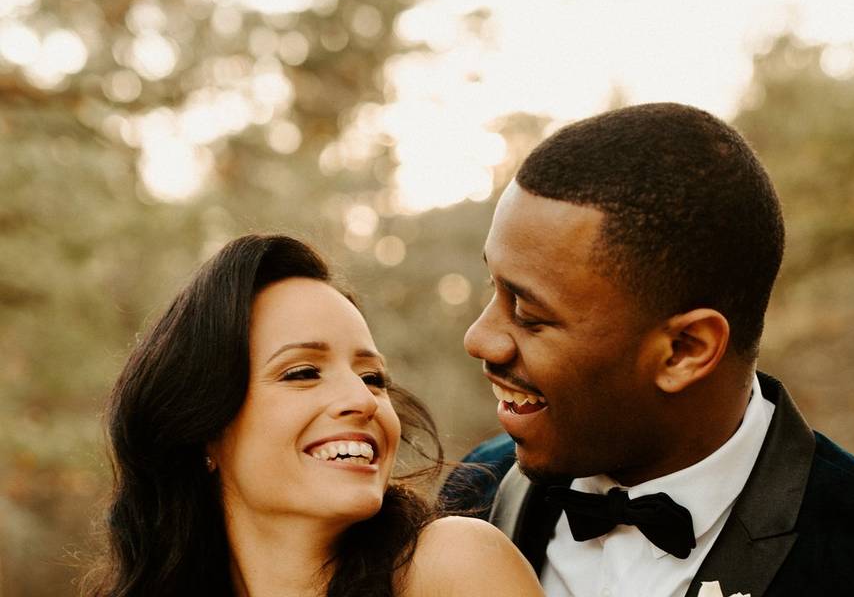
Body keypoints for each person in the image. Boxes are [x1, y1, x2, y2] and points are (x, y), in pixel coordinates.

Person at [441, 103, 854, 596]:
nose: (479, 338)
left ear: (684, 350)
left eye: (529, 313)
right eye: (494, 287)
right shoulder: (472, 495)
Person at [85, 234, 543, 597]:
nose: (363, 401)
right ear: (203, 427)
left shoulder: (452, 565)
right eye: (303, 372)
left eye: (373, 378)